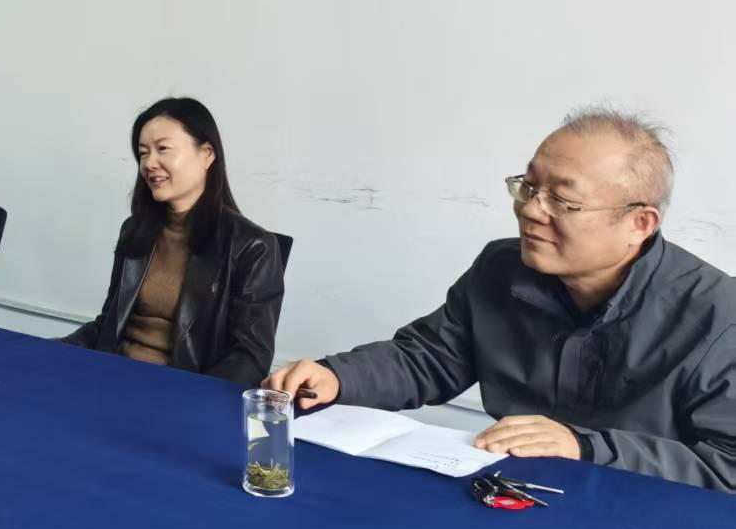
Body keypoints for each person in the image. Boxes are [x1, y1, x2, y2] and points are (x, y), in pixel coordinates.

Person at [267, 109, 736, 491]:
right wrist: (337, 377)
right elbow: (430, 358)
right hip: (512, 494)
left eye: (563, 201)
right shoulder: (502, 269)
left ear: (640, 223)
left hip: (643, 520)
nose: (531, 210)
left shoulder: (718, 316)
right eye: (528, 187)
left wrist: (586, 447)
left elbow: (727, 467)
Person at [64, 97, 285, 386]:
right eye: (143, 153)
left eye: (163, 149)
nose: (149, 163)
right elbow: (107, 325)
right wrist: (46, 351)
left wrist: (191, 399)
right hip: (111, 377)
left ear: (206, 154)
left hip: (180, 393)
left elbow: (250, 358)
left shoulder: (253, 247)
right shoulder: (135, 230)